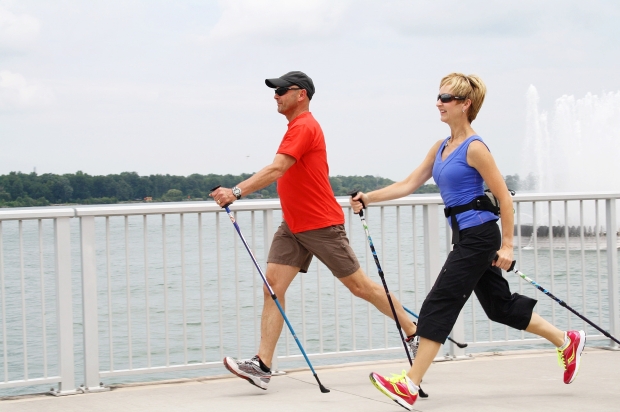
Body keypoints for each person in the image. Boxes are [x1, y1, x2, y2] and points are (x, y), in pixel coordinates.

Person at [350, 73, 586, 411]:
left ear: (465, 104)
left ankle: (410, 384)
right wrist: (369, 197)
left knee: (440, 301)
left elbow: (505, 198)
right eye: (438, 97)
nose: (438, 103)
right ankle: (567, 340)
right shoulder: (441, 147)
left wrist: (507, 246)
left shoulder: (475, 148)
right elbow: (409, 183)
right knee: (498, 307)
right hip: (466, 236)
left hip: (479, 237)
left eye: (446, 98)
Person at [210, 71, 419, 391]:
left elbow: (278, 168)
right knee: (272, 288)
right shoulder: (294, 128)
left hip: (322, 224)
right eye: (274, 91)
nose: (276, 95)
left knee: (360, 287)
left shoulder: (305, 126)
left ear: (301, 94)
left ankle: (413, 332)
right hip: (293, 225)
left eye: (281, 90)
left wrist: (235, 192)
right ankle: (262, 366)